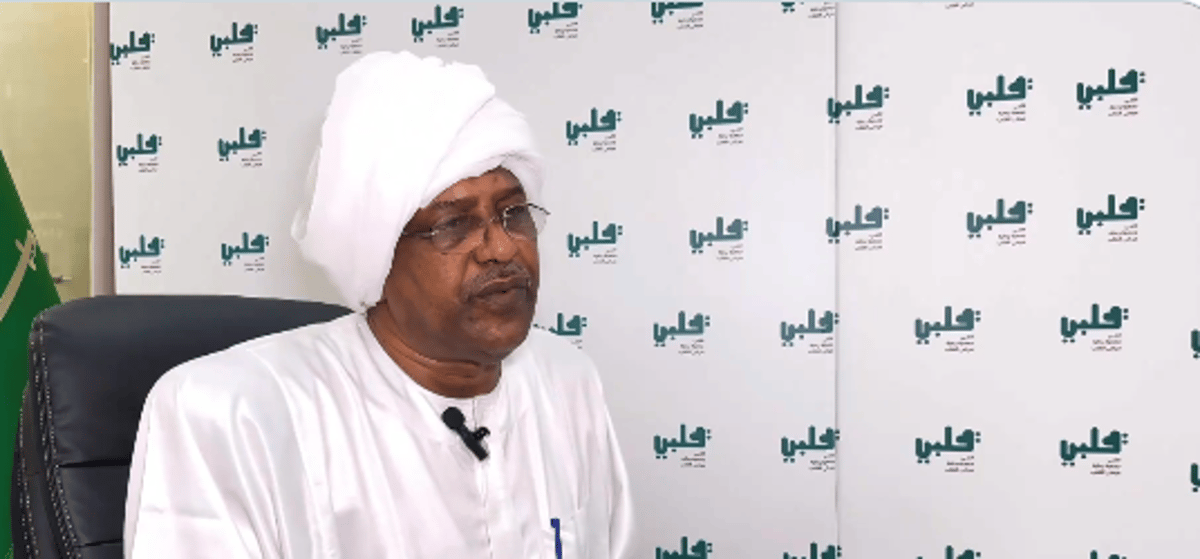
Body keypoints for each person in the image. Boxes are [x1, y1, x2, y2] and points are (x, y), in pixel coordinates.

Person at [122, 51, 634, 559]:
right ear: (379, 257)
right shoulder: (233, 415)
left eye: (513, 213)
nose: (501, 248)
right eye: (454, 224)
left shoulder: (567, 382)